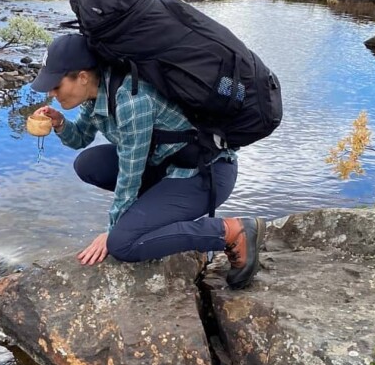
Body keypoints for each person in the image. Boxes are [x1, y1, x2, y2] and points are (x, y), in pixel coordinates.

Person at [31, 32, 264, 288]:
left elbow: (130, 174)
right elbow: (81, 138)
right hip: (166, 166)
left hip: (205, 174)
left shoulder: (132, 99)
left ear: (83, 77)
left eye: (56, 85)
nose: (52, 93)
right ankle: (152, 213)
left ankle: (232, 232)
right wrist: (60, 123)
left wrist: (112, 230)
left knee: (122, 244)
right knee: (88, 164)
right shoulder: (97, 91)